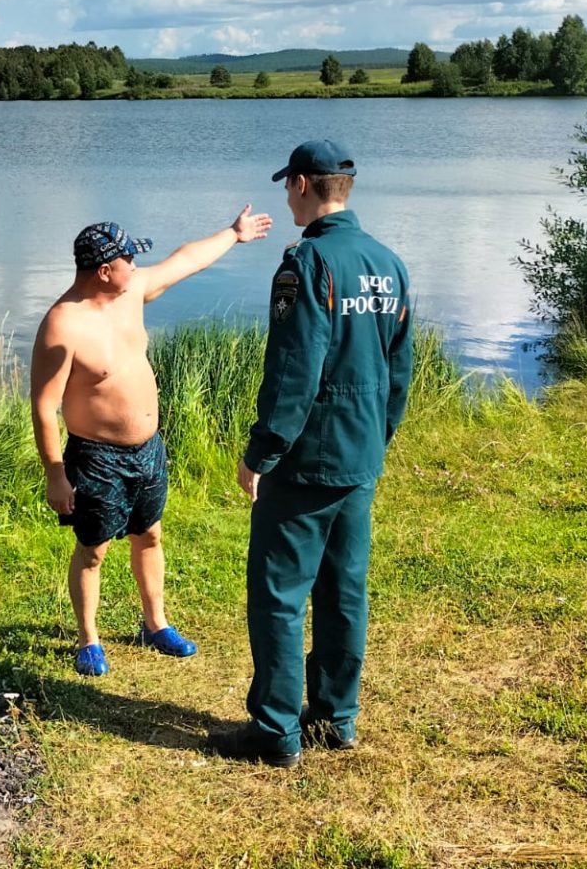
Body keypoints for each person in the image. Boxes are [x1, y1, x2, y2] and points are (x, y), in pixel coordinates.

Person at [210, 139, 413, 765]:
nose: (285, 197)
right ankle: (335, 716)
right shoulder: (389, 262)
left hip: (305, 461)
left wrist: (261, 453)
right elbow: (400, 368)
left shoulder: (308, 264)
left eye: (286, 186)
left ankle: (275, 732)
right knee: (345, 590)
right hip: (359, 457)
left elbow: (295, 370)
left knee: (278, 593)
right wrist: (376, 440)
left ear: (302, 184)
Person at [32, 208, 273, 677]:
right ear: (104, 271)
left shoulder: (130, 292)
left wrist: (234, 234)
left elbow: (186, 261)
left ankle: (155, 624)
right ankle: (89, 640)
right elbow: (44, 406)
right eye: (129, 259)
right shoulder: (63, 324)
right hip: (97, 458)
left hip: (148, 450)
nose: (137, 266)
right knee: (93, 548)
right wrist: (56, 475)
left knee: (150, 534)